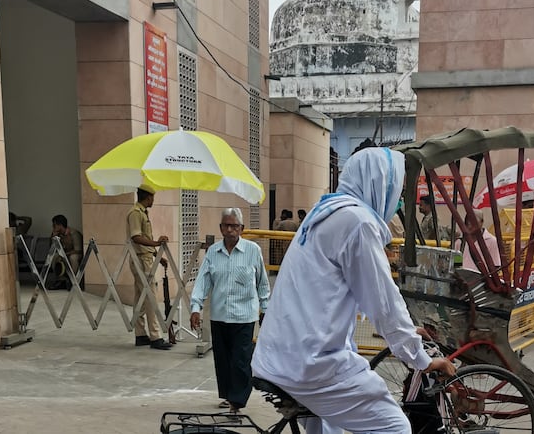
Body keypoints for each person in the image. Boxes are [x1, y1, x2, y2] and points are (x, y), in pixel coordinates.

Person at [252, 147, 456, 434]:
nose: (397, 201)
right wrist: (422, 359)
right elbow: (384, 303)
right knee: (395, 427)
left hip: (282, 356)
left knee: (328, 427)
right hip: (310, 364)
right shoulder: (357, 223)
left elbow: (360, 296)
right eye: (396, 191)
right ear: (377, 184)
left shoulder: (325, 212)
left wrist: (409, 332)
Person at [190, 208, 269, 414]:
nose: (230, 229)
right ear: (221, 228)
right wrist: (195, 307)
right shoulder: (213, 253)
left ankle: (237, 402)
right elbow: (203, 281)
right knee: (223, 361)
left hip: (244, 316)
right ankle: (227, 395)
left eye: (235, 226)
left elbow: (262, 283)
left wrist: (265, 308)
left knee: (241, 361)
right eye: (227, 225)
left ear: (242, 229)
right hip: (219, 315)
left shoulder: (253, 250)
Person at [127, 188, 171, 350]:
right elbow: (136, 237)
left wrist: (158, 257)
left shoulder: (142, 212)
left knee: (141, 298)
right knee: (151, 297)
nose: (153, 200)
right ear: (147, 197)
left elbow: (144, 238)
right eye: (152, 197)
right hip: (140, 260)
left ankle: (140, 334)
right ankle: (155, 336)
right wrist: (156, 244)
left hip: (145, 257)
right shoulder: (135, 213)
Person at [50, 214, 84, 290]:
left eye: (54, 225)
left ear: (60, 225)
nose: (53, 227)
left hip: (75, 254)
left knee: (73, 258)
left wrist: (65, 255)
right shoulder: (58, 234)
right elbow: (52, 249)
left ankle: (74, 281)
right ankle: (60, 280)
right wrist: (54, 238)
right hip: (65, 254)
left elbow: (78, 250)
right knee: (55, 256)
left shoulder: (74, 233)